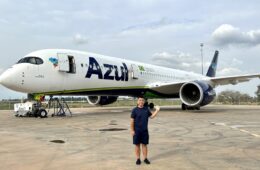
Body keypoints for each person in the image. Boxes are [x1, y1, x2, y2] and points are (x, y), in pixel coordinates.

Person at [130, 96, 160, 165]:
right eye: (140, 100)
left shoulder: (146, 109)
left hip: (144, 131)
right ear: (137, 102)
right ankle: (138, 159)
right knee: (137, 145)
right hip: (136, 131)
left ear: (144, 102)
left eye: (142, 100)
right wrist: (132, 130)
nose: (141, 102)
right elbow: (132, 121)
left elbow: (152, 116)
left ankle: (145, 158)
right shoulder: (134, 110)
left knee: (144, 145)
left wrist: (157, 110)